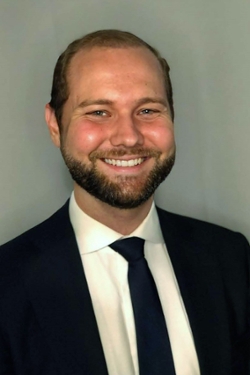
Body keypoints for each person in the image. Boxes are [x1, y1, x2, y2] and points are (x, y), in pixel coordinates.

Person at [0, 30, 249, 375]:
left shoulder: (232, 258)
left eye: (147, 109)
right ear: (55, 125)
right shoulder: (6, 283)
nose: (128, 136)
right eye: (99, 112)